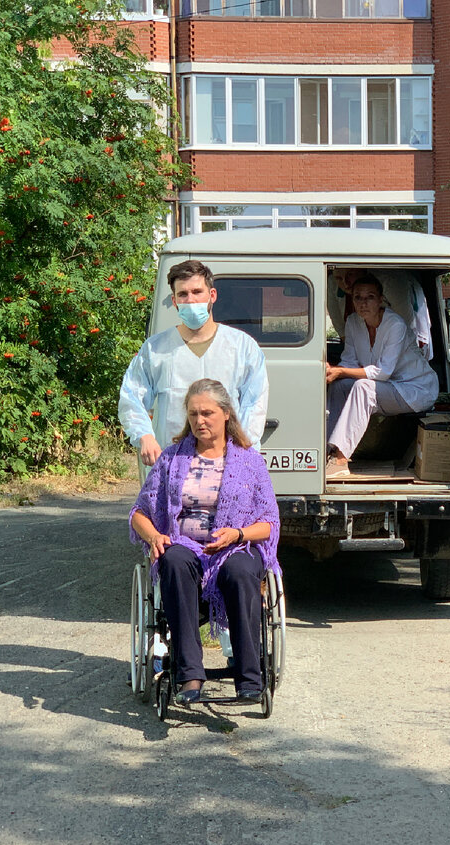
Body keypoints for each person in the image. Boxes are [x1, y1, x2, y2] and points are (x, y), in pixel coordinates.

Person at [129, 378, 280, 706]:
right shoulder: (171, 459)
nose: (200, 420)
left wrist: (237, 534)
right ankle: (189, 675)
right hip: (186, 545)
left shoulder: (250, 461)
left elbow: (269, 524)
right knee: (172, 560)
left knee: (240, 572)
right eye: (194, 414)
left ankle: (250, 679)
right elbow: (139, 514)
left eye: (207, 413)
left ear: (226, 414)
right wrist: (155, 535)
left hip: (236, 547)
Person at [119, 260, 269, 465]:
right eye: (183, 294)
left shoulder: (242, 347)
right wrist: (144, 436)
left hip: (226, 462)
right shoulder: (155, 349)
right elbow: (131, 398)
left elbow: (255, 404)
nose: (190, 300)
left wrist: (242, 450)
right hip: (171, 461)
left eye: (197, 292)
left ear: (212, 295)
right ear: (174, 301)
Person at [325, 274, 438, 478]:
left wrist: (340, 372)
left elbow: (383, 372)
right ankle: (327, 450)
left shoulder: (395, 325)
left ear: (380, 299)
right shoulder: (352, 322)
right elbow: (349, 360)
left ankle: (341, 461)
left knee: (363, 388)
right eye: (358, 297)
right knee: (340, 386)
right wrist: (330, 371)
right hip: (387, 388)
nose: (363, 303)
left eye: (369, 297)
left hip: (415, 389)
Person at [329, 267, 433, 360]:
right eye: (339, 278)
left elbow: (406, 324)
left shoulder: (390, 281)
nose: (345, 283)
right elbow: (341, 329)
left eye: (350, 274)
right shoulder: (351, 320)